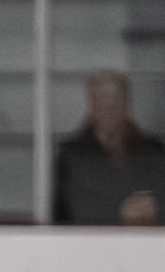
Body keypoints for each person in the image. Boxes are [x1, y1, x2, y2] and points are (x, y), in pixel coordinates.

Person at [54, 72, 165, 225]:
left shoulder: (153, 151)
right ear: (91, 105)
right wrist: (119, 212)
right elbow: (67, 214)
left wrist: (153, 210)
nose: (108, 109)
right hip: (90, 245)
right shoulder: (72, 155)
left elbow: (160, 199)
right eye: (101, 101)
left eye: (114, 100)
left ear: (126, 104)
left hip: (145, 244)